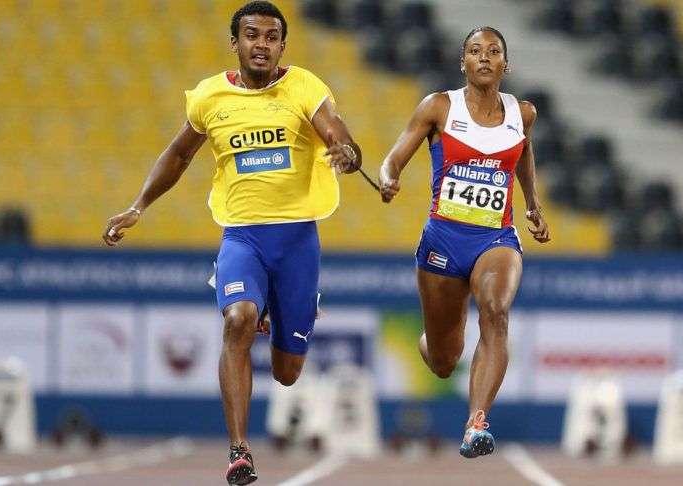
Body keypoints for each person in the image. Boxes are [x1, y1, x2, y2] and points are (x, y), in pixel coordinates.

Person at [102, 2, 362, 484]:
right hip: (242, 236)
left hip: (298, 240)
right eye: (251, 35)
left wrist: (345, 150)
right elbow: (179, 155)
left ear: (282, 46)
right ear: (235, 42)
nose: (260, 44)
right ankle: (239, 451)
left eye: (270, 36)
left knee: (287, 373)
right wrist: (139, 205)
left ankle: (287, 306)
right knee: (238, 320)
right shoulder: (209, 96)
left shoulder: (304, 85)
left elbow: (335, 131)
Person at [379, 26, 550, 458]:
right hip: (443, 239)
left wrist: (532, 204)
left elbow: (524, 152)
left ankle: (476, 423)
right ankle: (431, 339)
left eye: (494, 51)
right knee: (443, 360)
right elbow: (394, 158)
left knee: (495, 310)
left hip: (496, 238)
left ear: (506, 63)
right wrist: (388, 178)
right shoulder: (438, 106)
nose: (485, 57)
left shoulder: (522, 112)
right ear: (464, 63)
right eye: (475, 51)